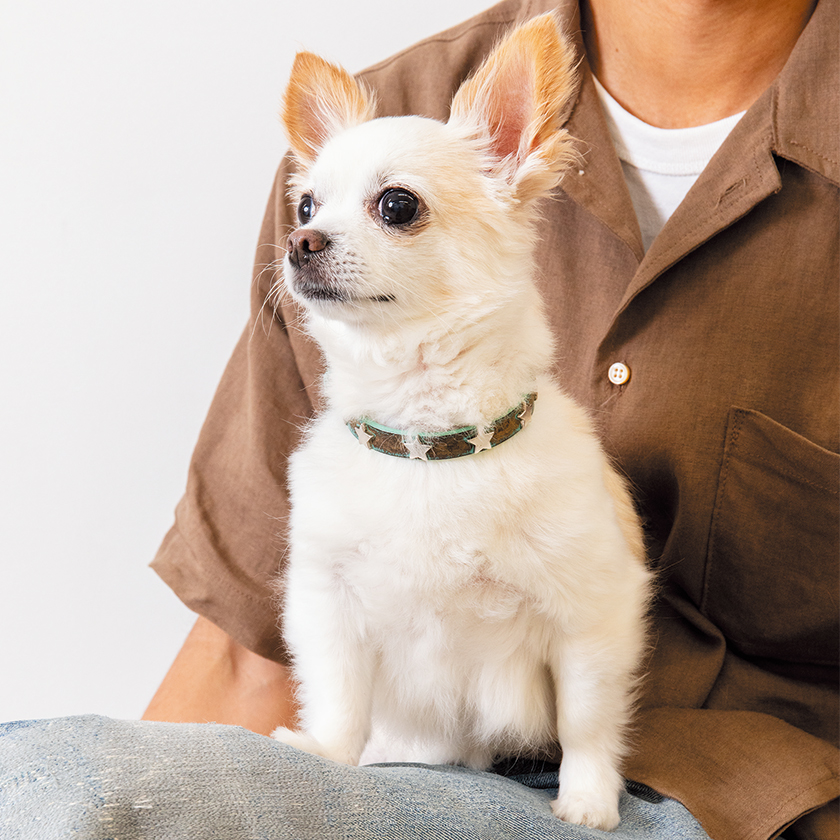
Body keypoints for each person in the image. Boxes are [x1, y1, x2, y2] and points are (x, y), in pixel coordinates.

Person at [2, 0, 837, 838]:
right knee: (52, 780)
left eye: (396, 211)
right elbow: (247, 653)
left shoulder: (466, 131)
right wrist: (123, 804)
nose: (314, 238)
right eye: (309, 216)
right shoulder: (394, 112)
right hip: (404, 781)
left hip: (741, 794)